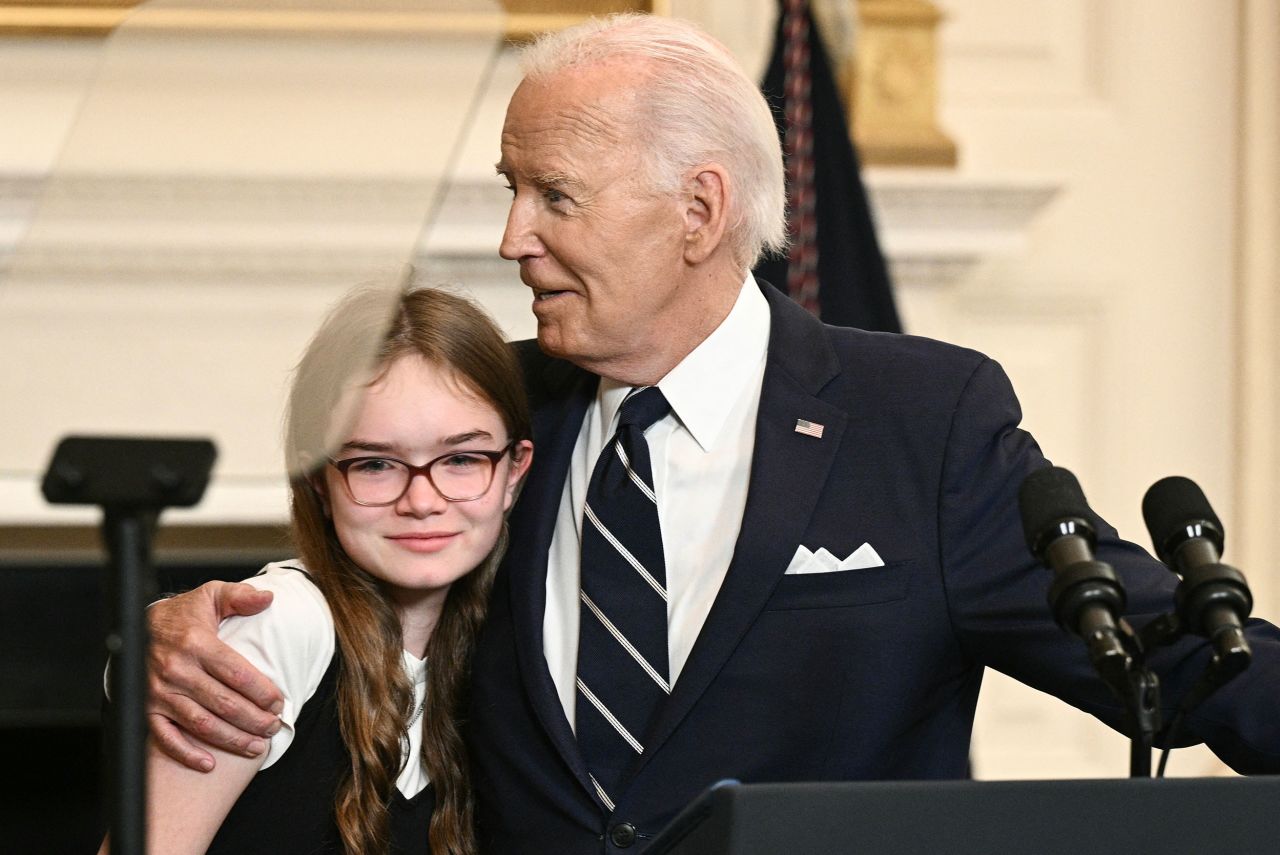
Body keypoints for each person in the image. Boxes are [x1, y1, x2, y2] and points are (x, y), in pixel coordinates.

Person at [140, 13, 1280, 854]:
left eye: (552, 195)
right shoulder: (501, 412)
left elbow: (1166, 654)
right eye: (509, 189)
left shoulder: (916, 423)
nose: (509, 238)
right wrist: (184, 629)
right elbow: (380, 552)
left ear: (697, 209)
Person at [103, 285, 532, 854]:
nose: (422, 500)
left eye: (460, 459)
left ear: (513, 473)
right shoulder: (282, 624)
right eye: (375, 464)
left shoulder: (494, 650)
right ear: (318, 485)